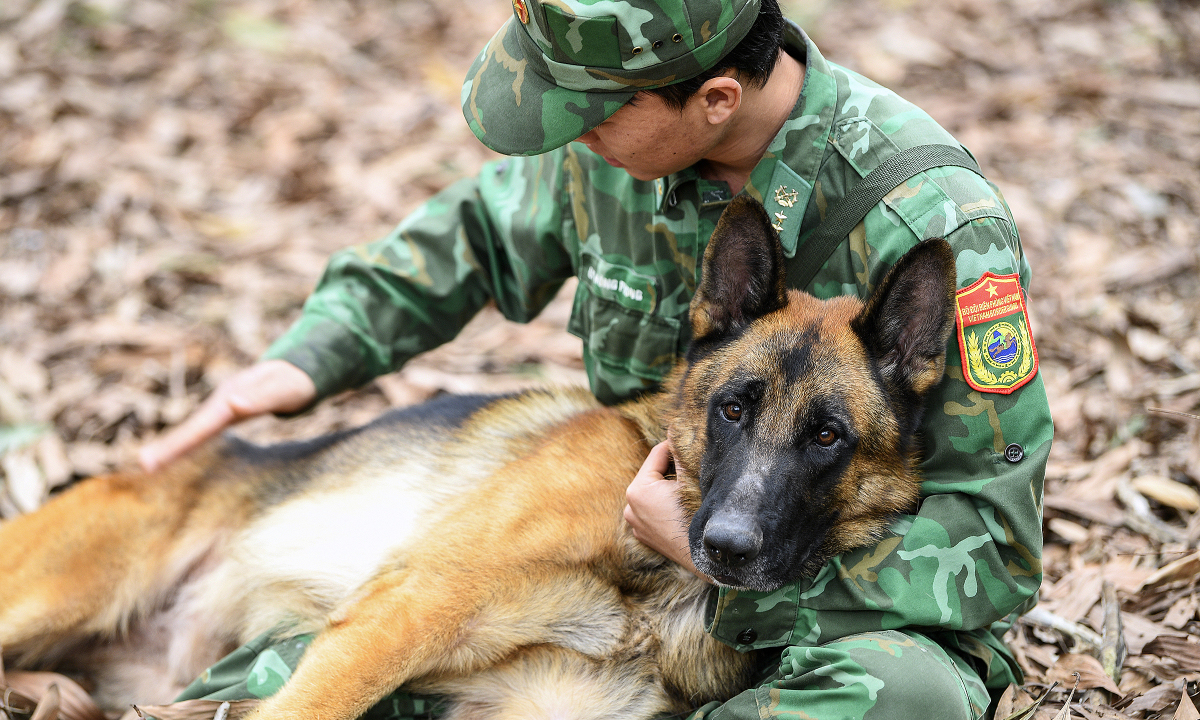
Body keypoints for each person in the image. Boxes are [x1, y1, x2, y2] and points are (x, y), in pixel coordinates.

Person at [142, 0, 1054, 717]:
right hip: (620, 547)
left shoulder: (935, 222)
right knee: (339, 657)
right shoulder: (623, 140)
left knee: (906, 696)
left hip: (838, 594)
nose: (571, 133)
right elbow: (478, 229)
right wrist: (309, 358)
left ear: (716, 100)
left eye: (594, 113)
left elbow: (996, 548)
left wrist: (730, 577)